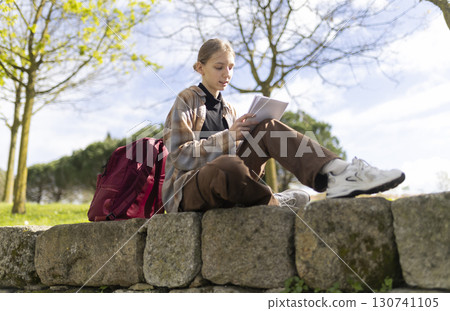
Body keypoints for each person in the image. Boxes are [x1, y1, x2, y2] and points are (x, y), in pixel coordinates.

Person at [162, 38, 405, 213]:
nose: (227, 73)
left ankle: (340, 173)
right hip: (188, 190)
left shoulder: (231, 110)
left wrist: (249, 141)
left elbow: (241, 158)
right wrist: (229, 136)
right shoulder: (187, 99)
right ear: (199, 67)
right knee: (229, 166)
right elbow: (179, 156)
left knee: (267, 127)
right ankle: (273, 201)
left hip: (229, 182)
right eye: (219, 67)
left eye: (231, 67)